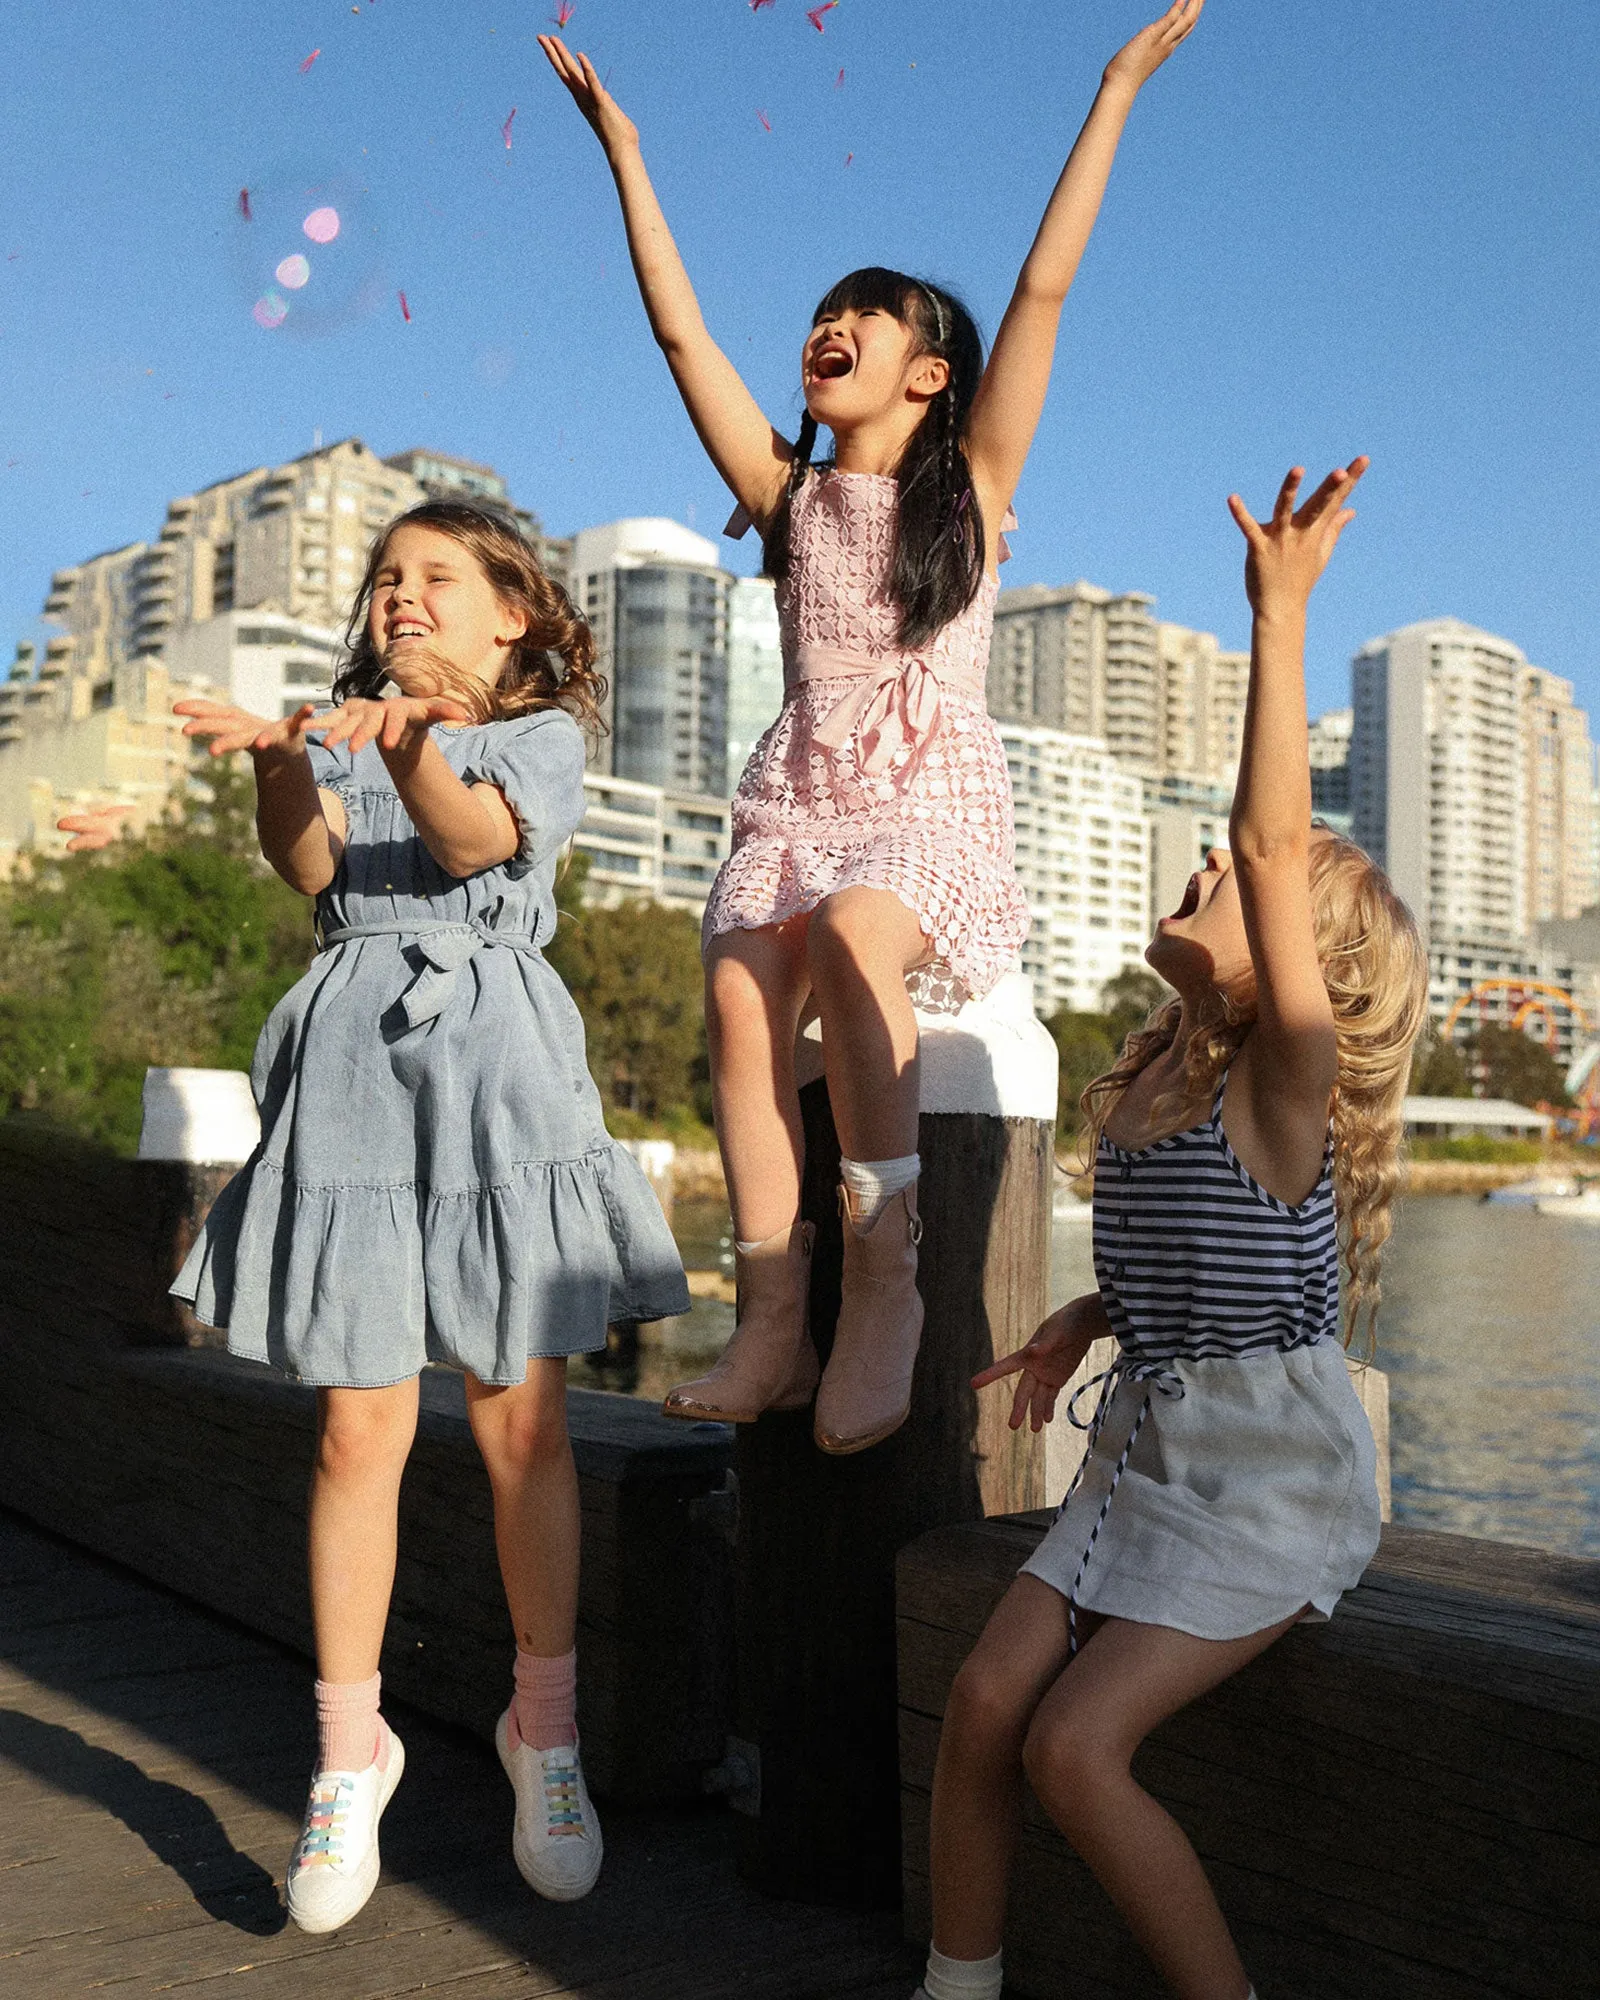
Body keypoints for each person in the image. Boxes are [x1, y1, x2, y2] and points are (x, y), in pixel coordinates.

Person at [540, 1, 1204, 1454]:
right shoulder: (787, 498)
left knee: (851, 933)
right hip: (800, 785)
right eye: (821, 312)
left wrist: (1112, 93)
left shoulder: (971, 479)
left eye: (868, 314)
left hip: (924, 792)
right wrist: (628, 155)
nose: (824, 327)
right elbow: (676, 328)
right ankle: (775, 1309)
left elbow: (1041, 290)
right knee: (734, 989)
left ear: (930, 371)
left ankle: (885, 1270)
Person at [95, 501, 689, 1933]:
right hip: (354, 1070)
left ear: (517, 616)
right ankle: (348, 1751)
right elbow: (310, 866)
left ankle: (542, 1728)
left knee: (516, 1420)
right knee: (358, 1425)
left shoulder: (533, 738)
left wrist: (410, 739)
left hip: (500, 1080)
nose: (400, 596)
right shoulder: (336, 725)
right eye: (386, 579)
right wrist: (277, 759)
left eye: (437, 577)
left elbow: (479, 842)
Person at [914, 459, 1429, 2000]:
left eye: (1235, 875)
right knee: (985, 1698)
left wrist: (1280, 620)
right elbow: (1187, 1269)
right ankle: (959, 1981)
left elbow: (1272, 844)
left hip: (1262, 1487)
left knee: (1077, 1746)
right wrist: (1086, 1320)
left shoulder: (1287, 1089)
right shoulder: (1152, 1082)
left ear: (1300, 967)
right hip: (1145, 1454)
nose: (1206, 863)